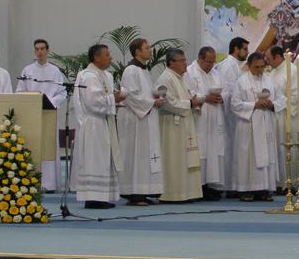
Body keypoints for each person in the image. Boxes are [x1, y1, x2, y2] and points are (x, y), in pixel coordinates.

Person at [70, 44, 124, 209]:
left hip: (104, 122)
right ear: (96, 57)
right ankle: (93, 198)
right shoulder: (89, 76)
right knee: (95, 160)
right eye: (107, 55)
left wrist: (116, 99)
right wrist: (113, 99)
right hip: (93, 124)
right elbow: (93, 103)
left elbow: (107, 97)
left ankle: (103, 196)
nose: (110, 58)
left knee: (104, 160)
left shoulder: (104, 75)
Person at [117, 38, 164, 206]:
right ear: (137, 51)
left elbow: (142, 93)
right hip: (136, 121)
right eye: (147, 48)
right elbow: (130, 95)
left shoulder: (144, 70)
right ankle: (136, 192)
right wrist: (152, 102)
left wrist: (154, 96)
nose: (150, 50)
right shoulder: (131, 70)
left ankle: (147, 190)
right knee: (137, 155)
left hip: (146, 118)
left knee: (147, 156)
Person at [231, 52, 284, 201]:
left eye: (262, 66)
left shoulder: (270, 80)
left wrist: (272, 104)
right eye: (256, 67)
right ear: (248, 66)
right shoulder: (241, 82)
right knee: (248, 157)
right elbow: (234, 104)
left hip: (266, 122)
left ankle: (265, 189)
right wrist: (254, 104)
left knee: (267, 156)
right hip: (249, 125)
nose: (260, 70)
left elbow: (281, 98)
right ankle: (246, 189)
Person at [17, 38, 66, 192]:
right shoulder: (27, 70)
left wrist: (50, 101)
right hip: (32, 114)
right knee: (33, 145)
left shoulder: (55, 71)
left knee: (49, 146)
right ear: (34, 51)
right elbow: (20, 91)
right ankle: (32, 181)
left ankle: (50, 183)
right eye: (37, 49)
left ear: (47, 50)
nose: (40, 52)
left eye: (42, 49)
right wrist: (31, 100)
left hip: (49, 113)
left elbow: (62, 91)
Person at [154, 49, 203, 203]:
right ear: (171, 62)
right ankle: (173, 193)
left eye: (185, 60)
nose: (185, 64)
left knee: (186, 158)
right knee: (175, 159)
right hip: (172, 126)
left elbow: (187, 98)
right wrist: (190, 103)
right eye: (182, 61)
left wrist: (193, 103)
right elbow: (167, 103)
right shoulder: (165, 78)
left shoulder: (181, 78)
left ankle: (187, 192)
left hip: (185, 124)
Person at [185, 46, 227, 200]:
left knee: (214, 151)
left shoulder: (216, 73)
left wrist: (222, 98)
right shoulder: (189, 72)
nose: (210, 65)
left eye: (213, 62)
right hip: (199, 118)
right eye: (208, 62)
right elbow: (189, 94)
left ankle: (212, 185)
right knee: (200, 151)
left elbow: (227, 92)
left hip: (215, 118)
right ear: (200, 58)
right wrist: (206, 98)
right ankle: (198, 186)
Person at [264, 45, 299, 189]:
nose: (267, 61)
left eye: (269, 59)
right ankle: (280, 182)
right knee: (279, 150)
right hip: (277, 116)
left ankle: (293, 184)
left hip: (291, 117)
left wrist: (278, 103)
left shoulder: (294, 71)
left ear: (278, 57)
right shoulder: (272, 73)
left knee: (292, 148)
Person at [216, 37, 249, 195]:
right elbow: (227, 90)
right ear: (236, 49)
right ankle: (229, 186)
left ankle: (232, 185)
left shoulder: (235, 65)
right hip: (229, 114)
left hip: (234, 113)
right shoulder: (229, 65)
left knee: (233, 149)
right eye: (245, 49)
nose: (247, 53)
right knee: (229, 148)